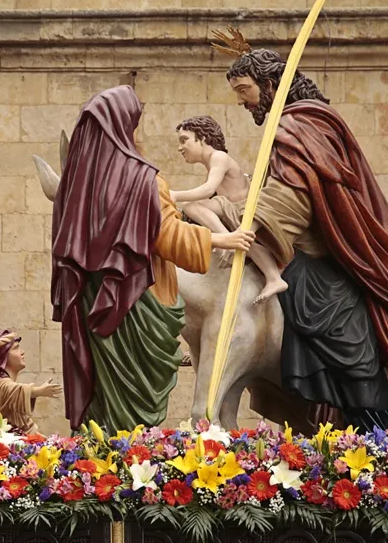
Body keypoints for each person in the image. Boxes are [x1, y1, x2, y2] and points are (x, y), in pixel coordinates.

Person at [211, 29, 388, 433]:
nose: (241, 100)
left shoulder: (298, 128)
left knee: (331, 330)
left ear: (269, 84)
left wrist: (225, 216)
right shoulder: (304, 122)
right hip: (315, 258)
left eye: (245, 89)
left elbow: (289, 206)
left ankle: (377, 422)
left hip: (323, 265)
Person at [50, 85, 256, 434]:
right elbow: (167, 236)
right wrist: (224, 238)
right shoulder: (141, 178)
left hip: (91, 309)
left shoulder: (76, 187)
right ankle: (125, 468)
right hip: (136, 304)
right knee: (132, 403)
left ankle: (98, 465)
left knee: (103, 397)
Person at [170, 115, 288, 305]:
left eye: (185, 140)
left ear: (203, 138)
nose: (180, 147)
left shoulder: (219, 157)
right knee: (248, 246)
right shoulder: (213, 162)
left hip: (239, 208)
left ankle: (227, 240)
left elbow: (208, 189)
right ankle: (274, 278)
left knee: (192, 206)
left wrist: (175, 195)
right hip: (233, 210)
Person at [0, 329, 62, 434]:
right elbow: (13, 390)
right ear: (2, 356)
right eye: (16, 348)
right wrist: (38, 391)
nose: (22, 352)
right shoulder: (0, 383)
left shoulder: (1, 383)